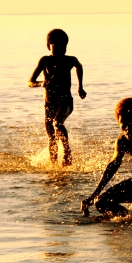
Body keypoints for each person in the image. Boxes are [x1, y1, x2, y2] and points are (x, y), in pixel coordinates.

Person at [28, 28, 86, 166]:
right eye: (56, 46)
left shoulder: (70, 60)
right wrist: (41, 83)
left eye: (63, 46)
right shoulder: (45, 61)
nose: (61, 49)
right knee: (52, 137)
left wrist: (80, 86)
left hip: (66, 102)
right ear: (49, 46)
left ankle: (67, 152)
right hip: (49, 104)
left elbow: (79, 66)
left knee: (57, 123)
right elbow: (30, 82)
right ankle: (54, 168)